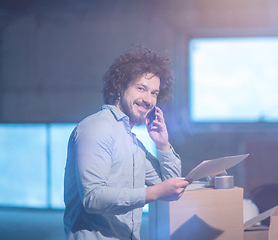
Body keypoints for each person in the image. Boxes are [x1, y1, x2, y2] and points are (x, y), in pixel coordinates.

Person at [63, 46, 190, 240]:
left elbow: (170, 188)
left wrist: (163, 145)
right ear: (120, 88)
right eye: (141, 88)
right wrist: (154, 193)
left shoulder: (133, 142)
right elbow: (93, 198)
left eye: (154, 93)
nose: (149, 100)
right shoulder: (97, 128)